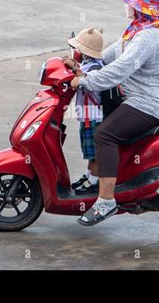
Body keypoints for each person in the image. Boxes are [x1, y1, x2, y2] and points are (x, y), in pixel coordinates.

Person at [63, 0, 159, 226]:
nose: (126, 5)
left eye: (130, 1)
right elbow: (105, 58)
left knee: (105, 134)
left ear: (140, 7)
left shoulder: (147, 37)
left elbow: (118, 71)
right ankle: (95, 178)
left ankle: (106, 201)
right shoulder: (137, 30)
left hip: (151, 103)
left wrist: (84, 82)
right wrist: (79, 64)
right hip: (138, 98)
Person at [68, 27, 105, 195]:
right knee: (89, 152)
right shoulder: (89, 64)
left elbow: (85, 80)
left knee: (95, 153)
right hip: (88, 116)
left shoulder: (95, 69)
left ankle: (94, 182)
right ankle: (88, 175)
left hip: (94, 117)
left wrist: (75, 69)